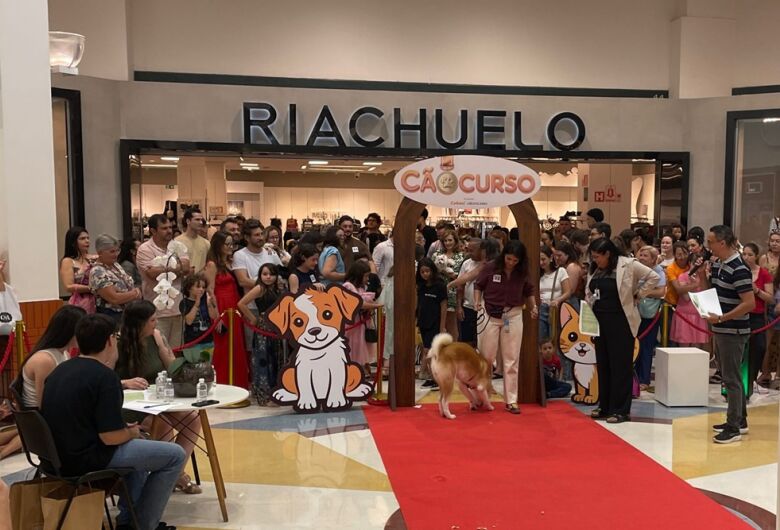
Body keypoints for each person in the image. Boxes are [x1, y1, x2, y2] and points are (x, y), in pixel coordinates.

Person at [41, 314, 186, 530]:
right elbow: (110, 438)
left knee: (139, 452)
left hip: (55, 457)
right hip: (85, 458)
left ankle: (129, 520)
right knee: (175, 455)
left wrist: (125, 433)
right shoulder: (104, 377)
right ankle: (145, 525)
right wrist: (131, 433)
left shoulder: (61, 370)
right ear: (110, 340)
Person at [116, 301, 203, 495]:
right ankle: (169, 478)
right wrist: (125, 382)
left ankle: (174, 473)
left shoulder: (155, 337)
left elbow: (173, 368)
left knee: (193, 418)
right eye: (152, 320)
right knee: (162, 422)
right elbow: (103, 377)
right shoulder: (117, 342)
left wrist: (167, 352)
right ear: (139, 323)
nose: (156, 323)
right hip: (130, 403)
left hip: (158, 398)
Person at [586, 238, 659, 424]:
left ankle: (621, 409)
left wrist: (639, 295)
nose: (595, 260)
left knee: (621, 367)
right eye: (593, 257)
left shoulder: (628, 264)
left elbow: (653, 277)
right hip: (599, 321)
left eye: (597, 257)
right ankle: (605, 405)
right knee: (604, 365)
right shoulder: (596, 270)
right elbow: (590, 292)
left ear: (608, 254)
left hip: (621, 322)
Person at [704, 225, 755, 443]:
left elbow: (749, 303)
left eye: (711, 242)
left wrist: (723, 318)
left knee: (731, 379)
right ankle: (739, 419)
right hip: (721, 328)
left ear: (722, 243)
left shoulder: (738, 268)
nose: (708, 246)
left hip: (733, 330)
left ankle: (733, 426)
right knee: (728, 375)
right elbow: (714, 290)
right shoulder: (719, 264)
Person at [474, 240, 538, 414]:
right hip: (490, 315)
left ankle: (511, 400)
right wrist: (477, 302)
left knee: (511, 359)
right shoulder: (491, 267)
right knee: (486, 358)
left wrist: (533, 307)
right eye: (509, 259)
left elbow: (529, 291)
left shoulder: (522, 272)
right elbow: (478, 285)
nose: (511, 263)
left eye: (515, 260)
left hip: (513, 314)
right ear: (504, 256)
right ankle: (483, 396)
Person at [203, 231, 250, 388]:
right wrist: (216, 318)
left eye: (232, 244)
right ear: (219, 245)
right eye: (227, 244)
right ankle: (223, 384)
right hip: (221, 306)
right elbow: (209, 292)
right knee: (223, 349)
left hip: (234, 306)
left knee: (236, 347)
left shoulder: (230, 263)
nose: (231, 247)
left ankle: (238, 384)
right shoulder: (212, 265)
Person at [136, 213, 190, 348]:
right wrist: (177, 269)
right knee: (158, 351)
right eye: (164, 228)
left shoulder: (177, 245)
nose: (170, 231)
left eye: (170, 227)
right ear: (153, 231)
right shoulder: (145, 249)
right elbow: (152, 274)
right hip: (156, 312)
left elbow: (187, 267)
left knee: (176, 352)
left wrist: (162, 268)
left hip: (178, 309)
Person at [18, 305, 85, 405]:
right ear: (69, 331)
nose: (85, 335)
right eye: (82, 330)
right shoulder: (45, 360)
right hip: (42, 418)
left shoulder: (64, 354)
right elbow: (46, 403)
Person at [237, 263, 284, 404]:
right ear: (260, 276)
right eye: (265, 274)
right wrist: (252, 318)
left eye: (271, 274)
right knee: (264, 360)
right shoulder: (260, 288)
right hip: (264, 328)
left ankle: (276, 393)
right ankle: (263, 396)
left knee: (277, 359)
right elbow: (241, 304)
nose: (268, 277)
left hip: (277, 327)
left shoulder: (277, 288)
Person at [233, 219, 280, 349]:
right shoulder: (240, 255)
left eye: (261, 234)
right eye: (256, 235)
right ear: (247, 238)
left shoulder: (271, 253)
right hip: (252, 307)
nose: (261, 238)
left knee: (274, 348)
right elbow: (242, 280)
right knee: (254, 348)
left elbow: (280, 275)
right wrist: (266, 284)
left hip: (273, 306)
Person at [742, 242, 773, 396]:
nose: (746, 257)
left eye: (750, 254)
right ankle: (741, 382)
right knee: (742, 349)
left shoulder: (764, 274)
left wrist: (756, 290)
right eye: (744, 254)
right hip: (742, 314)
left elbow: (770, 298)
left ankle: (752, 378)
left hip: (757, 317)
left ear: (756, 256)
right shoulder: (739, 272)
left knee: (759, 347)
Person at [635, 246, 667, 390]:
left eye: (645, 255)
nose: (641, 257)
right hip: (636, 313)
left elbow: (661, 292)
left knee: (646, 346)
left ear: (654, 259)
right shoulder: (637, 269)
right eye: (640, 254)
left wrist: (641, 293)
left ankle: (644, 379)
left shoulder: (658, 271)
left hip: (650, 314)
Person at [90, 234, 142, 321]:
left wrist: (124, 293)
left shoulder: (116, 265)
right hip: (111, 316)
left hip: (127, 313)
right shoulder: (98, 272)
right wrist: (135, 293)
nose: (116, 254)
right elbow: (114, 298)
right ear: (100, 253)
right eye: (112, 252)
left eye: (117, 251)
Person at [343, 261, 384, 373]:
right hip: (352, 325)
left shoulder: (361, 288)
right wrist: (376, 306)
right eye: (366, 276)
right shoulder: (348, 286)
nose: (367, 279)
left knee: (361, 351)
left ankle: (362, 374)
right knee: (354, 351)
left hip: (361, 325)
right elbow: (358, 304)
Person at [669, 243, 709, 348]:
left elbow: (705, 294)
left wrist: (698, 281)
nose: (695, 267)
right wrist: (694, 284)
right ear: (690, 263)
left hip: (699, 315)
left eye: (698, 264)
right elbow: (685, 297)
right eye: (693, 264)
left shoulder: (703, 277)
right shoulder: (683, 276)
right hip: (684, 315)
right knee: (684, 347)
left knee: (697, 349)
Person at [416, 257, 447, 389]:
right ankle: (431, 376)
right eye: (422, 272)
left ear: (432, 270)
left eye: (427, 271)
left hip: (435, 322)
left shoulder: (440, 285)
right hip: (423, 322)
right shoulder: (420, 285)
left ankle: (436, 378)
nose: (425, 274)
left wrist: (442, 326)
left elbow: (444, 306)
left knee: (430, 351)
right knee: (426, 350)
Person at [432, 228, 465, 340]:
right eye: (445, 240)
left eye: (450, 240)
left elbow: (463, 276)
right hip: (438, 291)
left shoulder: (461, 256)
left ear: (455, 240)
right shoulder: (437, 254)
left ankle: (453, 350)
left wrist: (449, 274)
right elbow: (430, 271)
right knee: (438, 323)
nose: (447, 243)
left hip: (454, 293)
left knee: (452, 325)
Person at [538, 245, 572, 343]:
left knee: (556, 340)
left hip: (556, 309)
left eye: (543, 259)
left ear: (551, 257)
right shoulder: (538, 274)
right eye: (539, 260)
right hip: (542, 309)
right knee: (542, 341)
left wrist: (558, 300)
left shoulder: (560, 271)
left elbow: (568, 292)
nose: (541, 263)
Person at [455, 238, 484, 347]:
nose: (469, 253)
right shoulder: (466, 263)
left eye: (472, 250)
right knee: (466, 342)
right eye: (468, 250)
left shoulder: (489, 264)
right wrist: (459, 307)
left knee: (482, 342)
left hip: (483, 309)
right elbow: (460, 286)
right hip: (467, 307)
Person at [60, 226, 95, 311]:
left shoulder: (94, 258)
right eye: (82, 238)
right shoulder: (68, 261)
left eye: (88, 238)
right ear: (73, 242)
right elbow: (68, 286)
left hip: (98, 301)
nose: (87, 241)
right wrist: (92, 288)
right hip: (79, 303)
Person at [180, 272, 218, 346]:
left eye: (203, 287)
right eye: (198, 287)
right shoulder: (184, 302)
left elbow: (214, 316)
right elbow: (189, 321)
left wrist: (209, 304)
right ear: (189, 288)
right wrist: (196, 304)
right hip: (192, 341)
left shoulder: (205, 300)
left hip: (208, 340)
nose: (201, 289)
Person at [175, 208, 210, 274]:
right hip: (182, 281)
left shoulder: (206, 243)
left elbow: (208, 265)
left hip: (201, 281)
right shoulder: (177, 242)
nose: (201, 222)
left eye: (201, 220)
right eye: (197, 219)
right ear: (188, 221)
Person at [553, 241, 584, 308]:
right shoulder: (562, 266)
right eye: (555, 255)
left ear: (567, 255)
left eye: (559, 255)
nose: (557, 258)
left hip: (571, 302)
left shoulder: (572, 267)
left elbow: (571, 290)